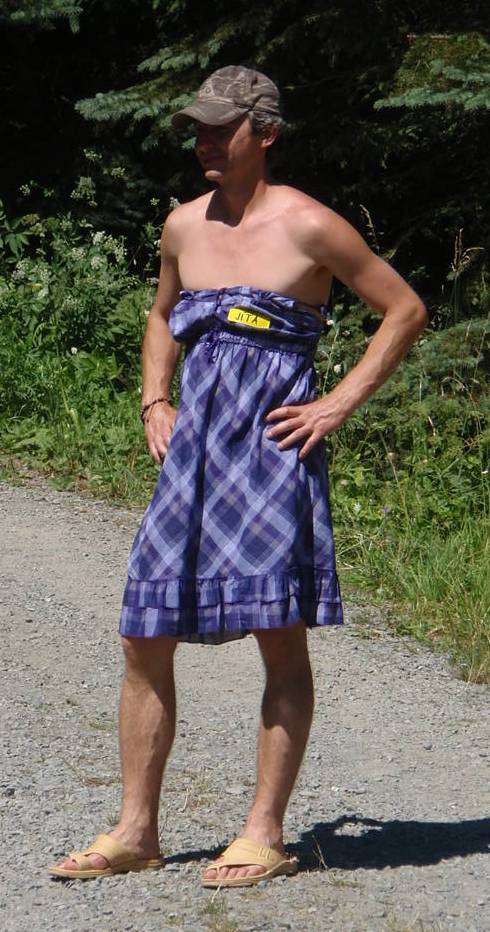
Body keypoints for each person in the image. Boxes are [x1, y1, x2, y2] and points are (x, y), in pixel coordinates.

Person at [49, 65, 427, 887]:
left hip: (271, 454)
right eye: (199, 129)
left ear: (267, 134)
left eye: (222, 129)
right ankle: (136, 831)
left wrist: (336, 403)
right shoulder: (183, 225)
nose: (205, 143)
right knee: (143, 632)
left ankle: (264, 832)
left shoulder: (311, 225)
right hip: (191, 460)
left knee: (276, 633)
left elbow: (404, 309)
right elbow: (161, 316)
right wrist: (155, 397)